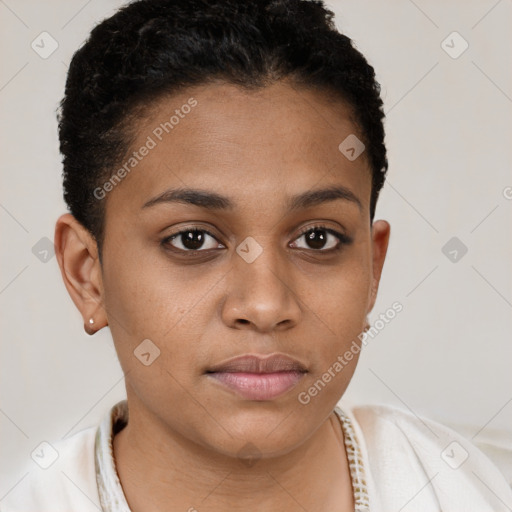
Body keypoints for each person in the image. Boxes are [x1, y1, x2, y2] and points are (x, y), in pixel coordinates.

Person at [2, 0, 511, 510]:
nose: (265, 305)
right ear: (87, 275)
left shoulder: (476, 490)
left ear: (373, 268)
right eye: (193, 240)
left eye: (317, 238)